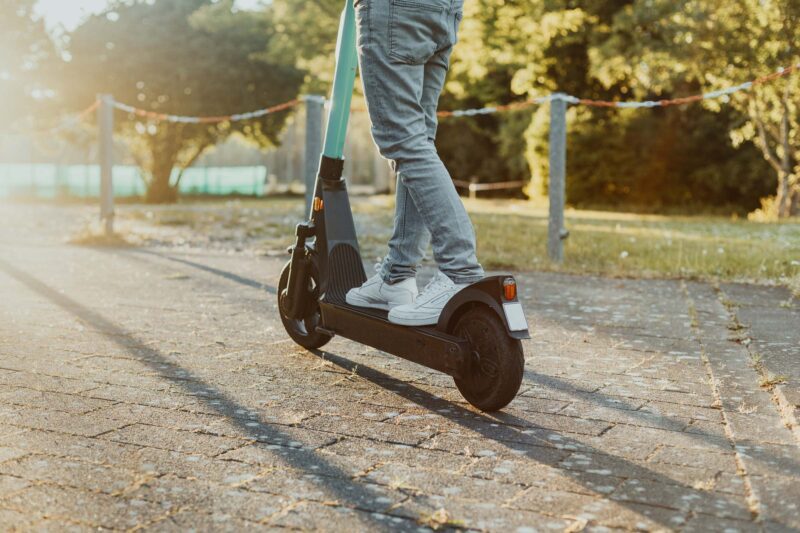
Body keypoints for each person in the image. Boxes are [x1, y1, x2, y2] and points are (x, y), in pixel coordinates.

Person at [345, 0, 484, 326]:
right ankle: (397, 276)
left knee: (404, 142)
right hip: (444, 10)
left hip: (395, 10)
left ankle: (460, 270)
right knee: (417, 141)